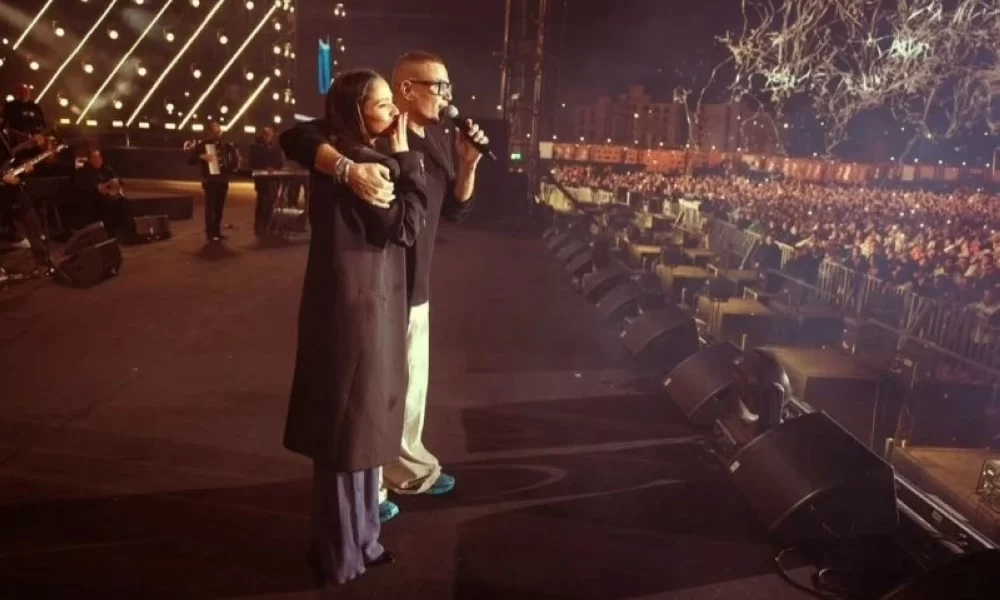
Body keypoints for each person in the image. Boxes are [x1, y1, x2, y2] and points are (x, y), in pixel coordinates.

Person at [280, 50, 489, 522]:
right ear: (407, 90)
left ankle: (405, 467)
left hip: (417, 286)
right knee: (371, 396)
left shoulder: (435, 142)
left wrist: (469, 164)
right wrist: (346, 169)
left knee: (409, 392)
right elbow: (295, 136)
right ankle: (369, 487)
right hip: (380, 289)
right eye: (439, 86)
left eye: (449, 87)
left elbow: (455, 210)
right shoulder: (370, 138)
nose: (448, 97)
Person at [283, 68, 428, 586]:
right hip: (359, 313)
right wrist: (408, 160)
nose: (394, 112)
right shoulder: (372, 165)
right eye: (383, 104)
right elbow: (406, 227)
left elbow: (299, 136)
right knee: (348, 436)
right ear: (356, 111)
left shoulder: (342, 155)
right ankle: (343, 552)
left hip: (353, 307)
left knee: (360, 433)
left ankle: (362, 539)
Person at [1, 120, 50, 276]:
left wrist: (24, 168)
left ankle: (43, 264)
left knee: (34, 226)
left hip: (15, 192)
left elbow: (13, 159)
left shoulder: (7, 134)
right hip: (3, 194)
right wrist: (2, 178)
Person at [183, 122, 239, 242]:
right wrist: (200, 156)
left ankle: (217, 232)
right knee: (210, 208)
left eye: (218, 132)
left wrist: (233, 166)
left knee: (219, 208)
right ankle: (210, 233)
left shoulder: (226, 145)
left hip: (223, 179)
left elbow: (233, 160)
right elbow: (190, 160)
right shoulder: (203, 144)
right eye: (214, 132)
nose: (217, 134)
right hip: (210, 180)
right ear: (209, 132)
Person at [248, 126, 285, 236]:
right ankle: (259, 226)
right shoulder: (255, 147)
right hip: (262, 180)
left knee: (271, 203)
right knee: (262, 203)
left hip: (273, 179)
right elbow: (252, 162)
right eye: (266, 134)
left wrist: (275, 168)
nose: (268, 137)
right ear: (262, 134)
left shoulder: (275, 147)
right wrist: (265, 167)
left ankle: (268, 226)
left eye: (270, 135)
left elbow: (280, 162)